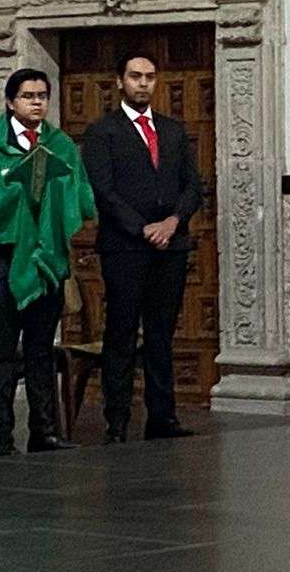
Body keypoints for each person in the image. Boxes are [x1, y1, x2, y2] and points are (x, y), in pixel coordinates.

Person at [0, 68, 95, 457]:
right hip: (5, 261)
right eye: (28, 96)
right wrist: (19, 192)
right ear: (10, 101)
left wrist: (54, 195)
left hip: (47, 259)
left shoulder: (59, 144)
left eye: (42, 96)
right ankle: (0, 436)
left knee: (42, 349)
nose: (37, 103)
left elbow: (80, 193)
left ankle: (44, 430)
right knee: (2, 351)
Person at [80, 52, 203, 443]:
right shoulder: (102, 131)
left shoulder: (172, 130)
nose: (143, 83)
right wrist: (142, 227)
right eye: (135, 76)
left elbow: (193, 186)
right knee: (121, 333)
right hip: (125, 247)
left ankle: (162, 417)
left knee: (161, 335)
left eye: (150, 76)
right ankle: (116, 420)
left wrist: (172, 222)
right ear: (120, 81)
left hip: (171, 245)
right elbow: (103, 190)